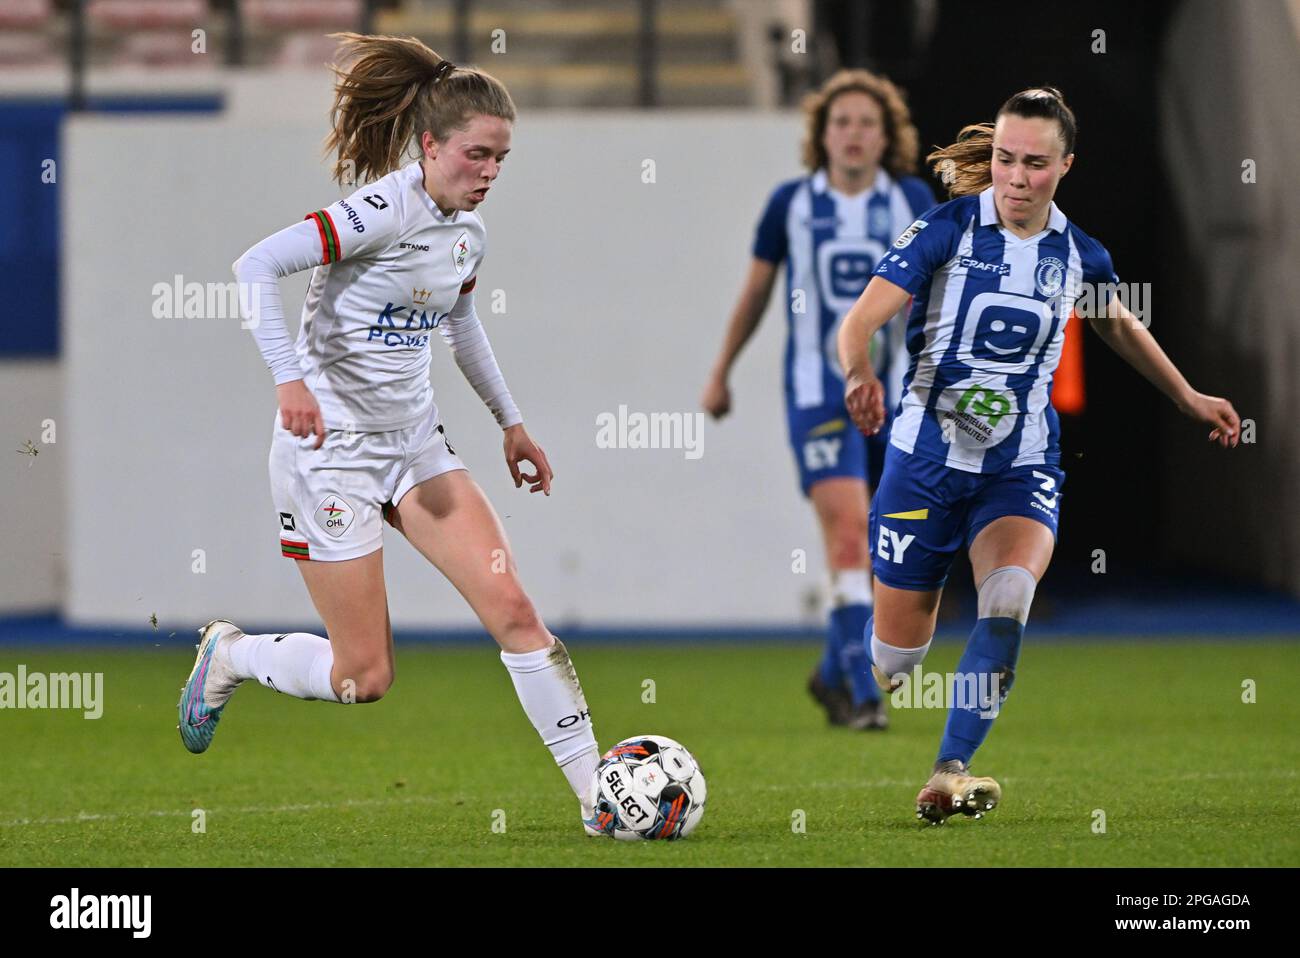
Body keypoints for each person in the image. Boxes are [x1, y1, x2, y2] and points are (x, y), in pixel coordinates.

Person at [177, 33, 607, 836]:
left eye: (501, 160)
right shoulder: (380, 210)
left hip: (416, 451)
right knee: (364, 677)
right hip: (327, 459)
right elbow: (255, 265)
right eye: (476, 155)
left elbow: (461, 324)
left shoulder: (465, 235)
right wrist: (289, 377)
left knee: (515, 609)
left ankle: (598, 798)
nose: (488, 173)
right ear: (430, 144)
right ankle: (231, 656)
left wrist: (510, 423)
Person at [837, 87, 1240, 823]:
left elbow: (1118, 325)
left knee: (1010, 597)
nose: (1015, 178)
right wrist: (860, 373)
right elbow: (859, 320)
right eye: (1003, 160)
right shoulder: (947, 228)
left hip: (1018, 465)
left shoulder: (1080, 253)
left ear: (1066, 166)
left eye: (1033, 164)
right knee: (896, 666)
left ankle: (949, 769)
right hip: (923, 463)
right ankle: (876, 654)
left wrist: (1187, 397)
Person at [702, 70, 935, 730]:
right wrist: (721, 371)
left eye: (868, 123)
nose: (854, 134)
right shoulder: (790, 205)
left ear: (887, 136)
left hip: (895, 397)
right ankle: (862, 694)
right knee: (848, 534)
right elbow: (755, 294)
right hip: (819, 393)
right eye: (842, 122)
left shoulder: (911, 199)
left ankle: (832, 671)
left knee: (900, 547)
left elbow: (940, 290)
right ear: (821, 135)